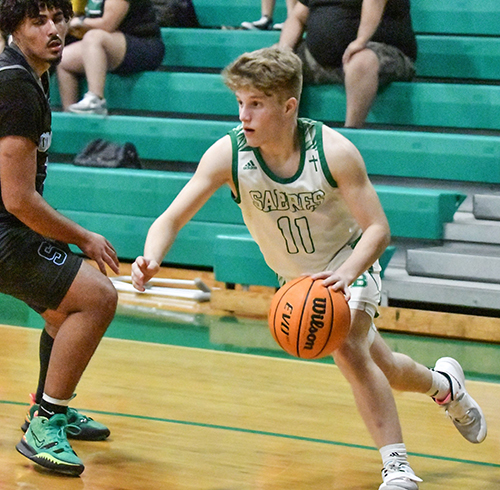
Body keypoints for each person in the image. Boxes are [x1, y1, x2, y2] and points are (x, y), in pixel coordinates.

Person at [131, 47, 486, 489]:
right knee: (388, 369)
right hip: (295, 280)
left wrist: (348, 273)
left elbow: (378, 230)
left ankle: (397, 468)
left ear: (289, 105)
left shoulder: (333, 151)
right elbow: (171, 218)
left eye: (256, 103)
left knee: (348, 350)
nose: (244, 115)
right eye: (240, 102)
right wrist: (152, 256)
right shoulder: (228, 155)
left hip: (349, 263)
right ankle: (444, 386)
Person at [0, 0, 120, 476]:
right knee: (96, 298)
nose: (54, 29)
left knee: (62, 308)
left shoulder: (30, 71)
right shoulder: (15, 85)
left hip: (9, 226)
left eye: (59, 18)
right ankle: (45, 423)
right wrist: (85, 237)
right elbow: (19, 199)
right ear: (14, 27)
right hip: (4, 228)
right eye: (39, 21)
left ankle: (46, 407)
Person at [278, 0, 417, 128]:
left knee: (360, 62)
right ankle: (280, 136)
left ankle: (350, 133)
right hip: (319, 58)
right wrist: (283, 51)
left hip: (381, 49)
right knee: (269, 64)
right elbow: (297, 17)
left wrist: (361, 40)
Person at [56, 0, 165, 115]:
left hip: (143, 44)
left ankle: (95, 100)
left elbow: (107, 25)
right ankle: (69, 115)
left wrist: (78, 22)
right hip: (111, 42)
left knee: (94, 37)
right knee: (64, 59)